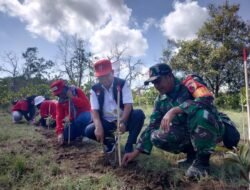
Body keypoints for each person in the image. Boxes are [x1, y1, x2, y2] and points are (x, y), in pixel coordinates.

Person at [122, 63, 225, 178]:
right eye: (153, 83)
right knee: (156, 136)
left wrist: (175, 110)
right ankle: (192, 156)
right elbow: (152, 126)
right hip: (189, 133)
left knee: (201, 114)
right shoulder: (160, 100)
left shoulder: (189, 83)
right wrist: (135, 153)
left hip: (212, 127)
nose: (156, 86)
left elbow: (206, 98)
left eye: (158, 81)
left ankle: (202, 163)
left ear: (169, 76)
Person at [85, 59, 145, 154]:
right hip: (106, 121)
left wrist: (123, 121)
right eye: (100, 77)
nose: (104, 80)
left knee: (139, 114)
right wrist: (98, 126)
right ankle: (110, 143)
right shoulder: (94, 89)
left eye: (106, 75)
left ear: (112, 72)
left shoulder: (122, 84)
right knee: (89, 130)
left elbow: (128, 105)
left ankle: (129, 145)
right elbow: (94, 110)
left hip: (123, 117)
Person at [50, 80, 92, 145]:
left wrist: (73, 98)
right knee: (65, 136)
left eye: (60, 92)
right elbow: (59, 117)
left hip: (85, 116)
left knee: (82, 118)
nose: (60, 95)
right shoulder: (60, 102)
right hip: (73, 121)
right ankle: (79, 134)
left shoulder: (77, 91)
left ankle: (86, 134)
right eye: (57, 94)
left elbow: (86, 104)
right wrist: (60, 133)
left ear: (65, 88)